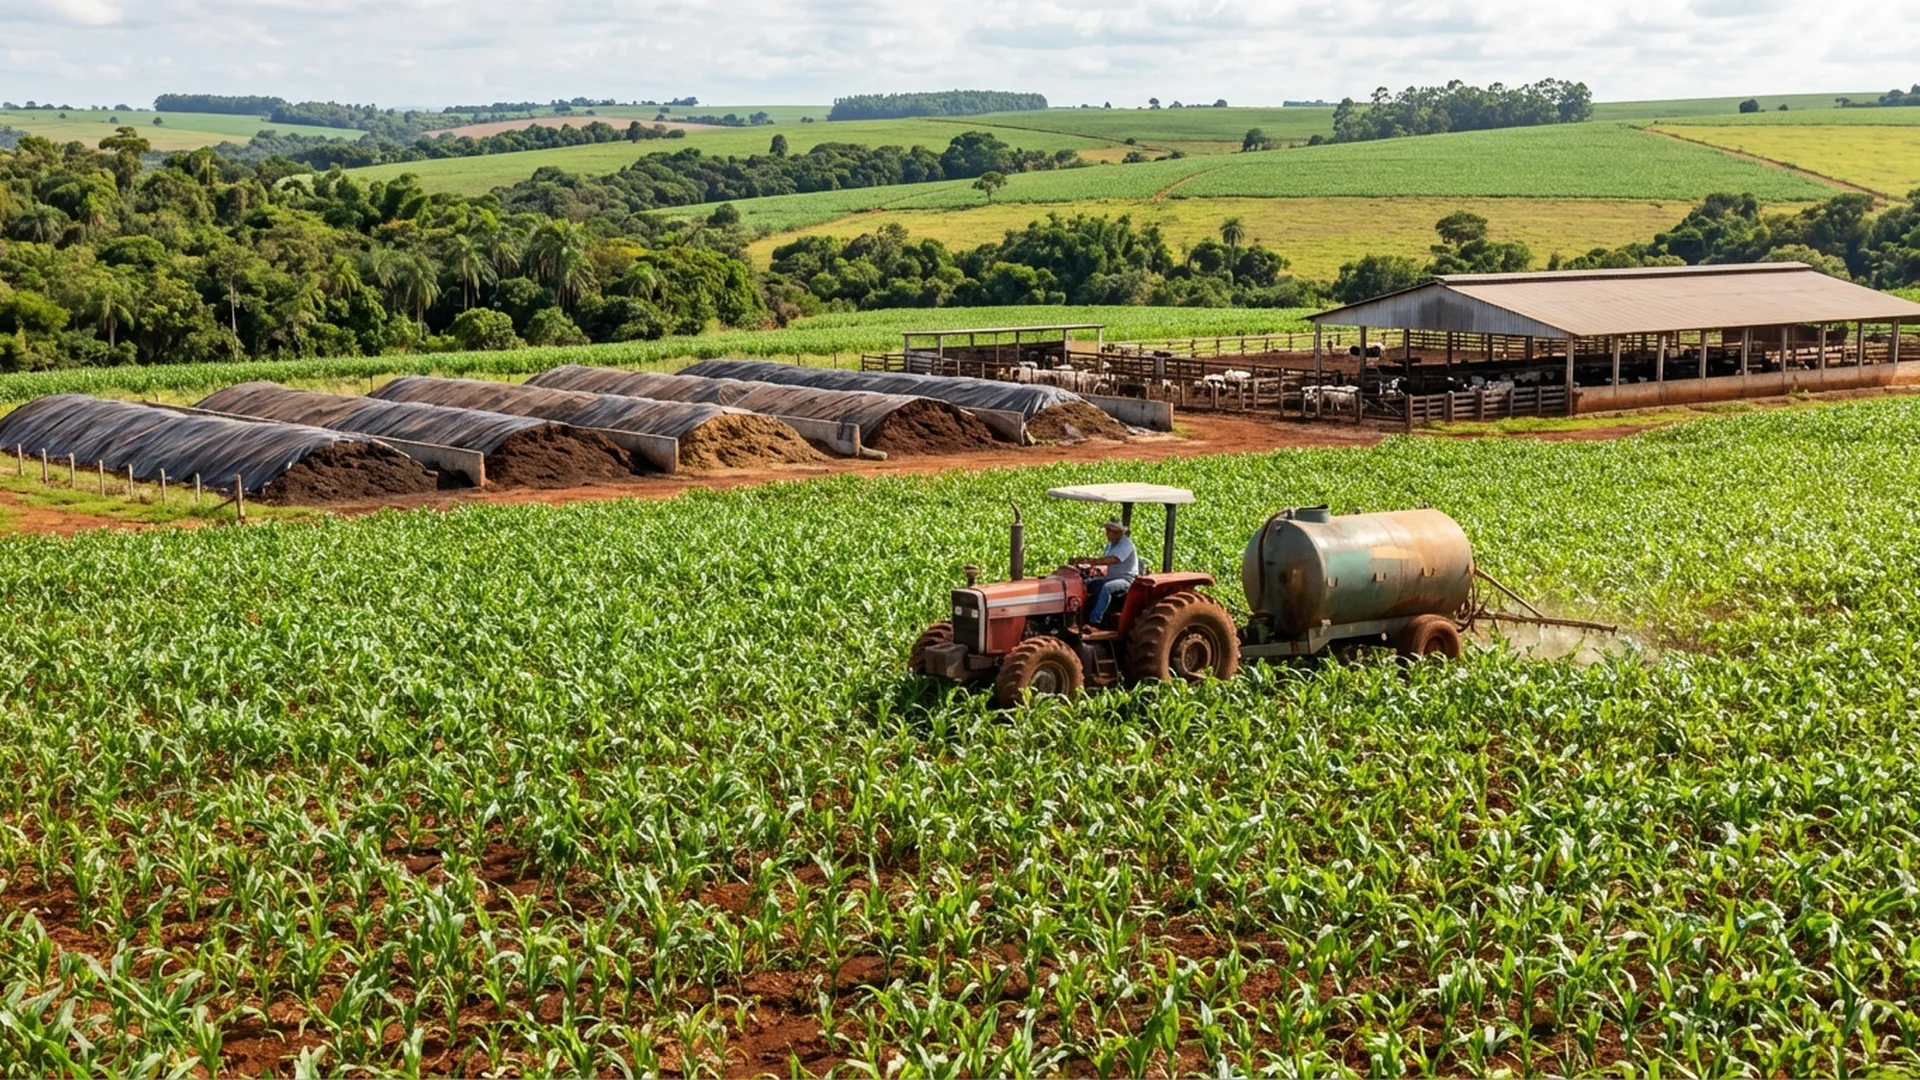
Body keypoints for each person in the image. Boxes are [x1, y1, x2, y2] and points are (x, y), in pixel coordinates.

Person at [1079, 520, 1140, 626]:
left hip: (1126, 579)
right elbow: (1103, 559)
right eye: (1106, 530)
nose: (1106, 533)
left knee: (1107, 587)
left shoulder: (1126, 544)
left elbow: (1113, 559)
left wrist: (1090, 561)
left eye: (1109, 531)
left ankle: (1095, 619)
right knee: (1088, 584)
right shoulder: (1111, 544)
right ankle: (1081, 616)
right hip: (1111, 576)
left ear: (1118, 532)